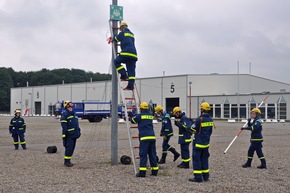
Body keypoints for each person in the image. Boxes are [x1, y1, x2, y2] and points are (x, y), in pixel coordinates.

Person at [131, 102, 158, 177]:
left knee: (143, 154)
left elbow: (133, 121)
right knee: (152, 154)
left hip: (144, 138)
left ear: (141, 109)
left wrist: (132, 116)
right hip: (152, 137)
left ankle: (142, 173)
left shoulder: (140, 116)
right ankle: (154, 171)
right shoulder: (150, 115)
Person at [189, 102, 213, 183]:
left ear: (202, 109)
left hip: (198, 143)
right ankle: (206, 176)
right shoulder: (210, 119)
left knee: (196, 159)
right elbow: (210, 132)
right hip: (206, 143)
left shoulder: (199, 119)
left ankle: (198, 177)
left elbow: (192, 129)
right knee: (204, 159)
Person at [113, 21, 138, 90]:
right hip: (134, 55)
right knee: (131, 71)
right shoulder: (132, 34)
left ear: (121, 28)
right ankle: (130, 86)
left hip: (126, 53)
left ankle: (123, 74)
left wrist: (113, 37)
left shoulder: (123, 33)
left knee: (116, 62)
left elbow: (116, 39)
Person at [61, 100, 81, 167]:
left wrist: (78, 131)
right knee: (69, 148)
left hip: (74, 134)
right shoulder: (65, 114)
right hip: (69, 134)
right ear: (66, 105)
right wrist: (65, 134)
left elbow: (76, 123)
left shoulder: (74, 113)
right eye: (70, 103)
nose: (71, 104)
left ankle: (69, 160)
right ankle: (66, 161)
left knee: (72, 148)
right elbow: (64, 125)